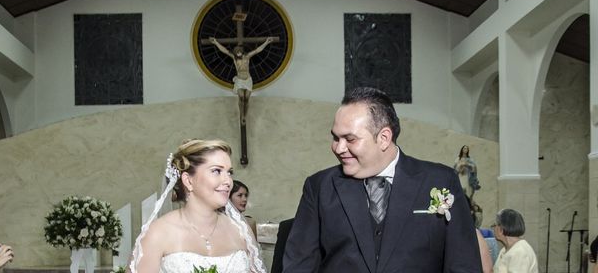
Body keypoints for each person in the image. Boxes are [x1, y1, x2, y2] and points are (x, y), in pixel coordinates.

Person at [283, 86, 482, 272]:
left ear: (384, 138)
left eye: (350, 139)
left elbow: (464, 264)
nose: (338, 148)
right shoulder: (319, 187)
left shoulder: (441, 181)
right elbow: (299, 265)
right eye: (336, 138)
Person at [129, 139, 266, 273]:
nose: (228, 181)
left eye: (229, 172)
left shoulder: (241, 231)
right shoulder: (158, 233)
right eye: (217, 171)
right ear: (188, 181)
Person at [209, 37, 273, 122]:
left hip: (248, 80)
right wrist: (216, 42)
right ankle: (241, 115)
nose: (238, 53)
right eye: (236, 52)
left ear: (241, 51)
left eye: (239, 52)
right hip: (239, 80)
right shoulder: (234, 58)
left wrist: (266, 42)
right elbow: (224, 51)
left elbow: (257, 50)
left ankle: (245, 115)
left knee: (246, 98)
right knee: (241, 97)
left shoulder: (247, 57)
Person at [492, 208, 538, 273]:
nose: (493, 229)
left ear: (501, 229)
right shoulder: (505, 250)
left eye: (494, 225)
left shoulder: (520, 252)